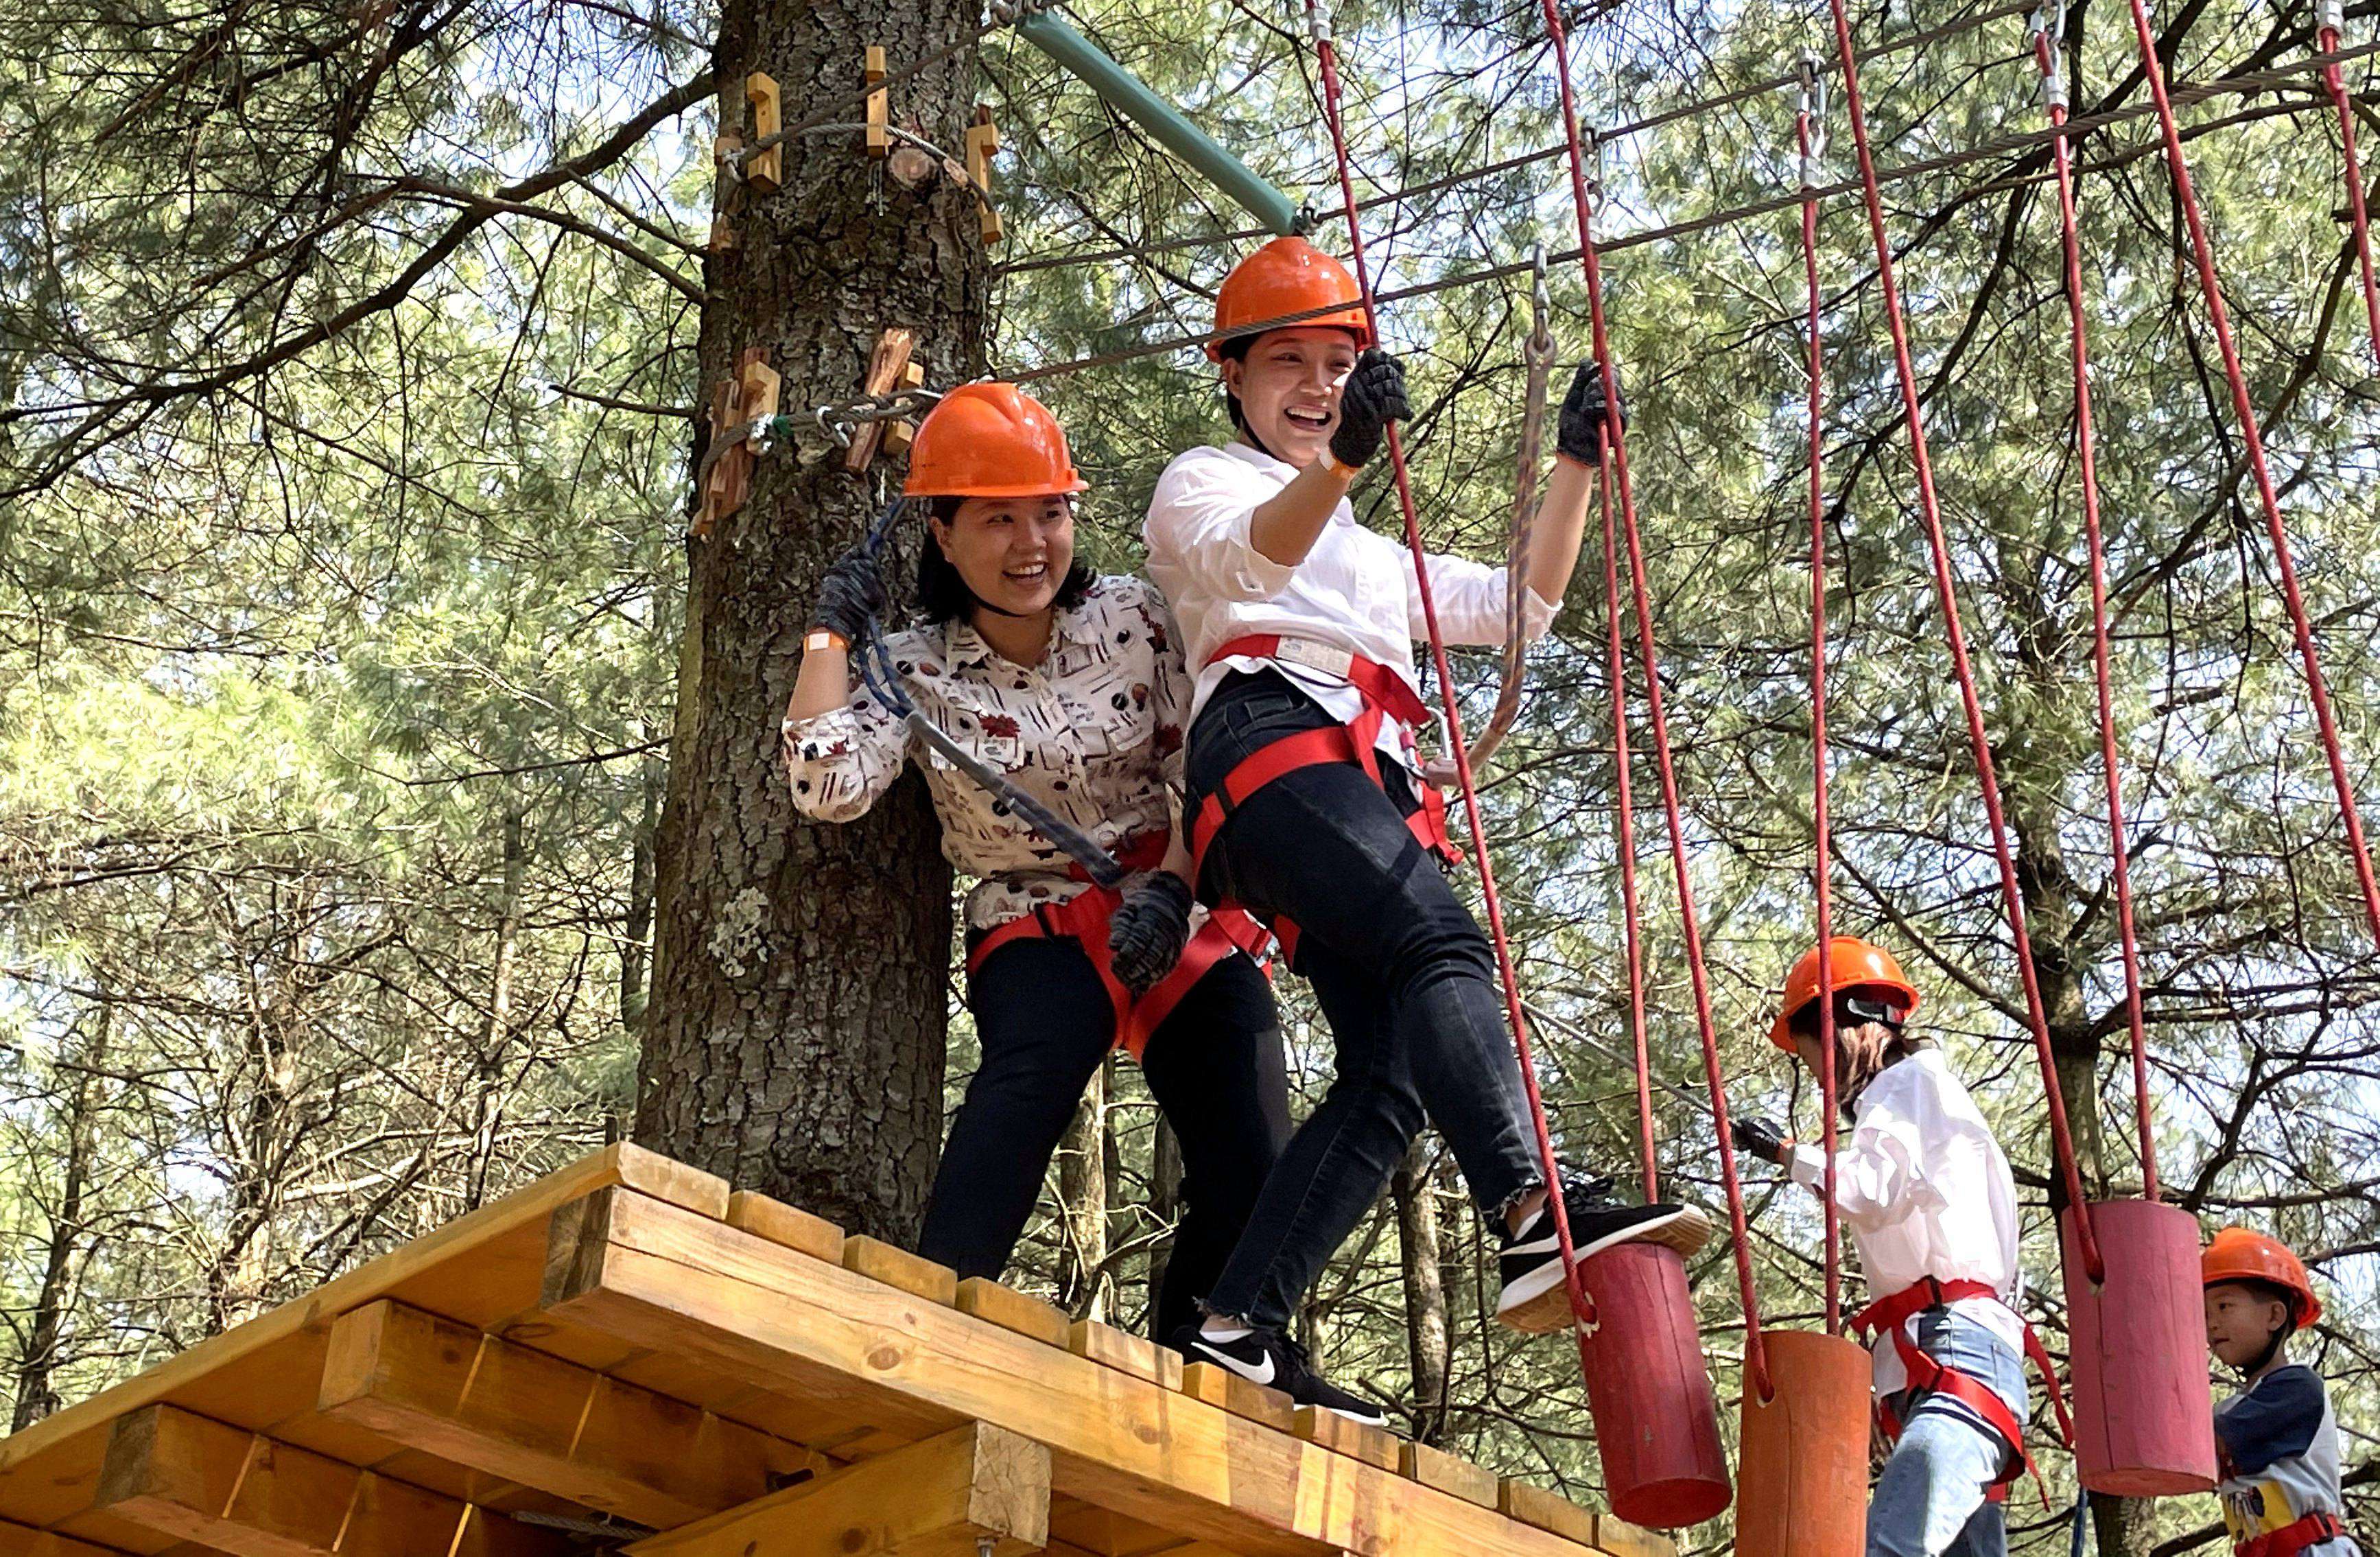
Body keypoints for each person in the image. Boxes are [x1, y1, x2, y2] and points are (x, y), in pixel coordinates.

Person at [1142, 234, 1710, 1426]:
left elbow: (1521, 609)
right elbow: (1260, 550)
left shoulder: (1367, 555)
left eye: (1337, 364)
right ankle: (1528, 1208)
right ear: (1232, 380)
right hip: (1268, 743)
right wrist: (1343, 462)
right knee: (1440, 946)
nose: (1313, 384)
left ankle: (1237, 1320)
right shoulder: (1202, 483)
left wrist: (1573, 465)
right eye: (1284, 361)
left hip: (1354, 780)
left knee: (1391, 1073)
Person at [783, 382, 1291, 1346]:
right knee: (1032, 1076)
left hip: (1171, 898)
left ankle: (1217, 1343)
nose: (1031, 544)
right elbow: (828, 785)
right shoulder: (913, 663)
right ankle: (933, 1303)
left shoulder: (1135, 619)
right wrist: (828, 638)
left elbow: (1200, 763)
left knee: (1255, 1141)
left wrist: (1179, 884)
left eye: (1049, 513)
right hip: (1036, 921)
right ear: (941, 533)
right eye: (998, 519)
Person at [1732, 936, 2059, 1557]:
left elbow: (1872, 1189)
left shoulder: (1905, 1084)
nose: (1823, 1083)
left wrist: (1786, 1155)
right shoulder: (1923, 1102)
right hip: (1949, 1353)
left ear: (1851, 1028)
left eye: (1816, 1060)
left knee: (1890, 1544)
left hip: (1956, 1351)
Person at [2203, 1227, 2360, 1557]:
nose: (2212, 1324)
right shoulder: (2230, 1407)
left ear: (2275, 1315)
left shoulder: (2297, 1389)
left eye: (2224, 1307)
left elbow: (2206, 1442)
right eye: (2204, 1314)